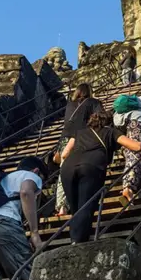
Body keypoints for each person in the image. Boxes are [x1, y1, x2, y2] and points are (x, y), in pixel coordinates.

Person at [59, 110, 141, 244]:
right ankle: (78, 242)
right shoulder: (111, 132)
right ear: (109, 122)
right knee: (86, 206)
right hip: (91, 167)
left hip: (68, 168)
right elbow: (136, 146)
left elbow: (64, 154)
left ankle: (76, 239)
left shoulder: (79, 132)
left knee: (76, 209)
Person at [54, 84, 103, 217]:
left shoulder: (70, 104)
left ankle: (62, 207)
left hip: (64, 138)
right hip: (81, 138)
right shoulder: (93, 102)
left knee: (64, 170)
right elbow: (100, 118)